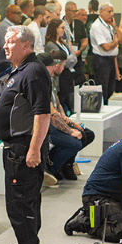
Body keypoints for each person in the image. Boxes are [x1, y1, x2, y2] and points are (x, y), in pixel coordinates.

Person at [0, 25, 51, 244]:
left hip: (24, 146)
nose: (5, 45)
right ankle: (27, 243)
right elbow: (19, 109)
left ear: (26, 45)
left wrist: (34, 150)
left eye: (11, 41)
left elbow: (42, 113)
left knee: (20, 200)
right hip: (17, 146)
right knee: (23, 198)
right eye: (5, 41)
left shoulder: (33, 72)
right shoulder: (20, 70)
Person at [39, 50, 95, 181]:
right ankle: (51, 166)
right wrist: (70, 130)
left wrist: (66, 119)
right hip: (46, 126)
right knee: (75, 142)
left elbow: (57, 103)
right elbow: (51, 112)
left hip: (53, 121)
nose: (64, 68)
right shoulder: (42, 82)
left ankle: (65, 165)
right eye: (63, 64)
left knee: (86, 134)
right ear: (56, 65)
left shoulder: (52, 80)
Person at [89, 2, 122, 104]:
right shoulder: (97, 26)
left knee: (111, 90)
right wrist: (115, 41)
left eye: (112, 11)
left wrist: (115, 26)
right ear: (101, 12)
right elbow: (106, 47)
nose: (112, 14)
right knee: (103, 90)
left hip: (110, 59)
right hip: (101, 60)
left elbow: (121, 39)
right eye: (109, 12)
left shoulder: (109, 25)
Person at [44, 18, 75, 112]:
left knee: (71, 104)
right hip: (60, 78)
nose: (64, 30)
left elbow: (74, 57)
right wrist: (67, 60)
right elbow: (59, 61)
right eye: (62, 28)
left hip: (67, 76)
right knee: (61, 103)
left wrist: (66, 60)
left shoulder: (62, 43)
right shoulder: (50, 44)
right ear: (55, 29)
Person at [62, 1, 89, 88]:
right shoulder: (61, 24)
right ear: (66, 11)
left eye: (76, 11)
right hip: (66, 59)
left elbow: (85, 41)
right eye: (73, 11)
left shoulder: (79, 23)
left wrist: (79, 51)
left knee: (81, 82)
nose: (75, 13)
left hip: (78, 57)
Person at [0, 4, 24, 73]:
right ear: (10, 14)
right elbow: (5, 46)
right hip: (5, 64)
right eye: (18, 13)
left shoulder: (12, 26)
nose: (21, 15)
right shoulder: (4, 27)